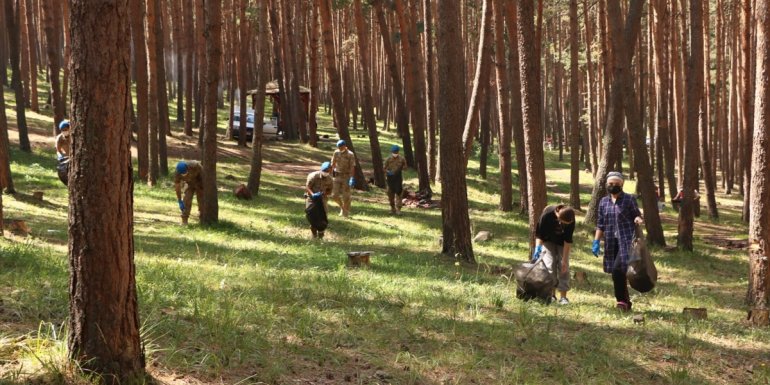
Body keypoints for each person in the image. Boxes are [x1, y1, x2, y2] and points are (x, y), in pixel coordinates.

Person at [592, 171, 644, 312]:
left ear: (622, 185)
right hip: (610, 241)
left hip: (626, 241)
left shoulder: (629, 199)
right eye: (610, 183)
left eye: (616, 184)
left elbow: (636, 214)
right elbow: (600, 224)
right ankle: (625, 302)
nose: (613, 186)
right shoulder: (603, 202)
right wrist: (596, 242)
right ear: (606, 184)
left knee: (617, 270)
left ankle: (621, 300)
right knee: (618, 273)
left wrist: (638, 219)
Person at [533, 204, 576, 305]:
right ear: (558, 216)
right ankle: (551, 295)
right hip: (548, 240)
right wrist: (538, 248)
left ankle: (563, 297)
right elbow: (539, 234)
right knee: (550, 265)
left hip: (562, 243)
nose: (563, 225)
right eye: (562, 222)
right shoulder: (547, 215)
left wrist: (564, 260)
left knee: (564, 268)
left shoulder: (571, 218)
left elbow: (568, 240)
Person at [305, 161, 334, 238]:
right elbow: (307, 187)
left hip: (322, 199)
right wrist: (313, 194)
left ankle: (321, 235)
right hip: (311, 198)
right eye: (324, 171)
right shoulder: (313, 176)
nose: (326, 172)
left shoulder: (330, 179)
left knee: (322, 217)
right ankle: (314, 235)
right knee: (312, 216)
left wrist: (324, 193)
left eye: (328, 171)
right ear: (321, 169)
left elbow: (329, 191)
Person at [330, 140, 356, 217]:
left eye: (341, 147)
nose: (339, 148)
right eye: (338, 147)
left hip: (346, 177)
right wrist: (330, 173)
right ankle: (342, 207)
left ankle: (345, 213)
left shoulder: (350, 154)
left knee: (346, 196)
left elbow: (352, 167)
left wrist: (352, 178)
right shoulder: (336, 152)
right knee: (334, 195)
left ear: (344, 146)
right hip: (337, 176)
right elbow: (333, 163)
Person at [174, 160, 203, 225]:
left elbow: (204, 177)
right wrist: (179, 200)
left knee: (202, 201)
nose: (184, 175)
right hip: (189, 184)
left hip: (199, 183)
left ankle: (202, 219)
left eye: (185, 173)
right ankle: (184, 220)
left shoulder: (195, 165)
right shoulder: (177, 173)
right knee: (186, 200)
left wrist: (202, 187)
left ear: (188, 168)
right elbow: (177, 186)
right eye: (182, 174)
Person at [383, 144, 407, 215]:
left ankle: (398, 209)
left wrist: (402, 168)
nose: (395, 153)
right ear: (391, 152)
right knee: (390, 193)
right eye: (394, 152)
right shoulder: (388, 159)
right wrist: (388, 172)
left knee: (399, 193)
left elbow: (405, 167)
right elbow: (384, 168)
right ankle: (392, 208)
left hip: (398, 178)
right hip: (390, 178)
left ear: (398, 152)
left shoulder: (402, 159)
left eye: (396, 152)